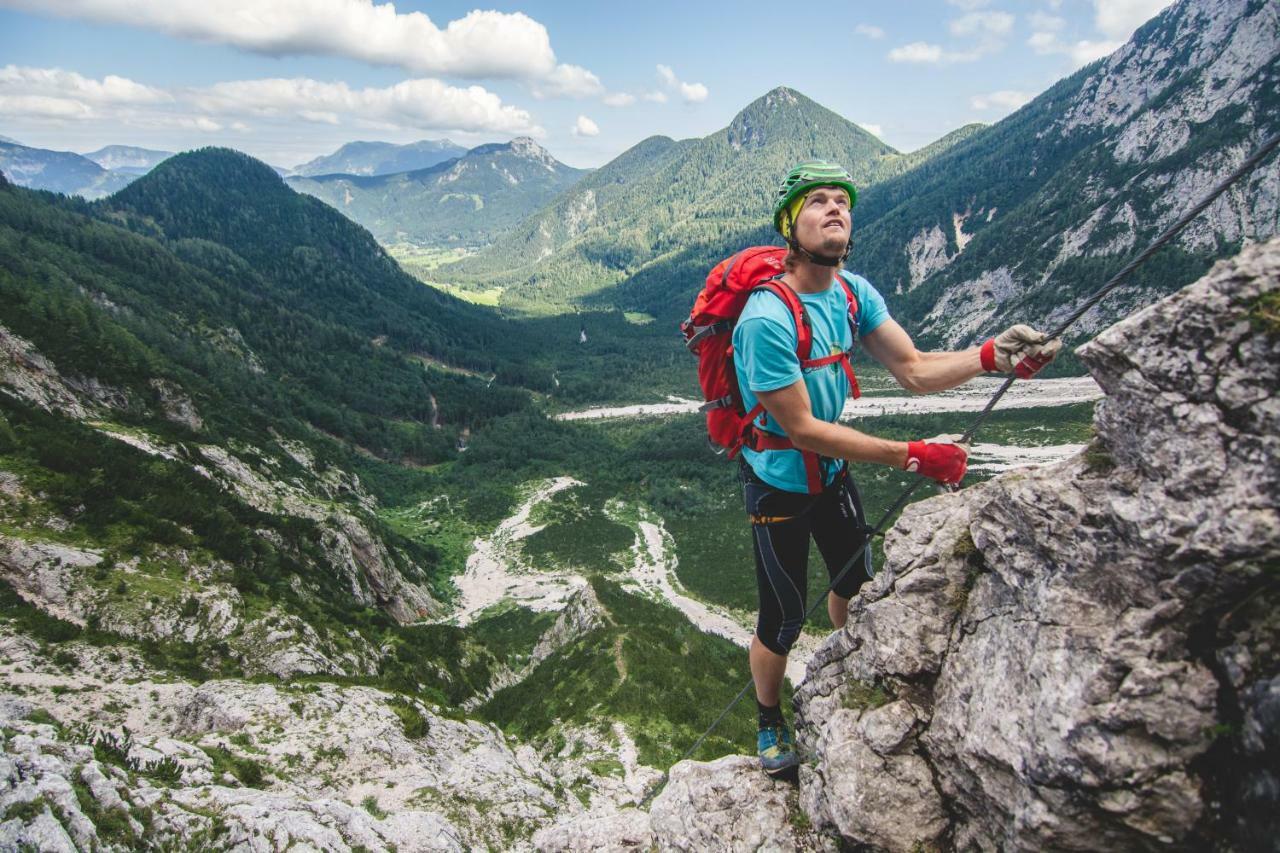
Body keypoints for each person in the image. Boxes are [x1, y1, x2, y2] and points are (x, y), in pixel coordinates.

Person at [736, 161, 1061, 777]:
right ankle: (768, 720)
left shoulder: (854, 292)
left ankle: (846, 664)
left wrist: (991, 357)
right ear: (790, 226)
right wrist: (913, 453)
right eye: (818, 202)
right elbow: (802, 429)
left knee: (855, 581)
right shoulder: (766, 319)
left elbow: (912, 367)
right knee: (780, 617)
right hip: (777, 481)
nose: (835, 209)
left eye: (843, 201)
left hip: (829, 475)